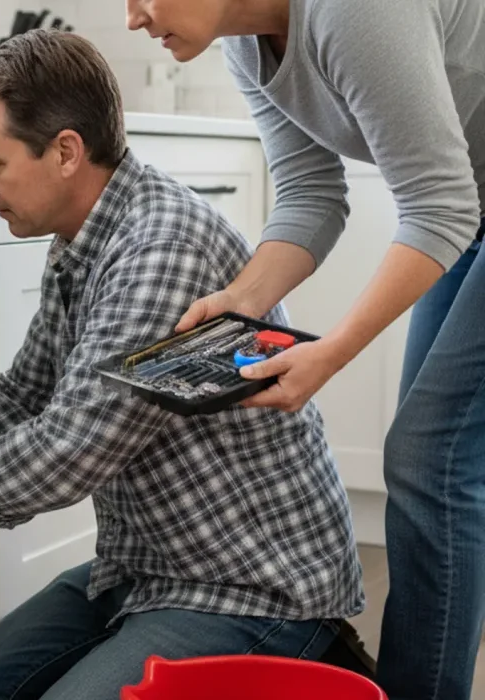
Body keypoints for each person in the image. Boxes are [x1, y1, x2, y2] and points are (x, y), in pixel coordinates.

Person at [0, 29, 365, 700]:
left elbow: (66, 455)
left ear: (65, 151)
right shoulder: (83, 239)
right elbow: (24, 397)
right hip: (147, 565)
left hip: (252, 585)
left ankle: (320, 659)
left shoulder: (159, 249)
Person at [123, 1, 485, 698]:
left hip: (458, 205)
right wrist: (241, 299)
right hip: (470, 204)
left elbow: (438, 206)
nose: (133, 16)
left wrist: (332, 351)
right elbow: (311, 192)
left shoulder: (354, 10)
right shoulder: (244, 42)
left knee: (430, 460)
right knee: (433, 465)